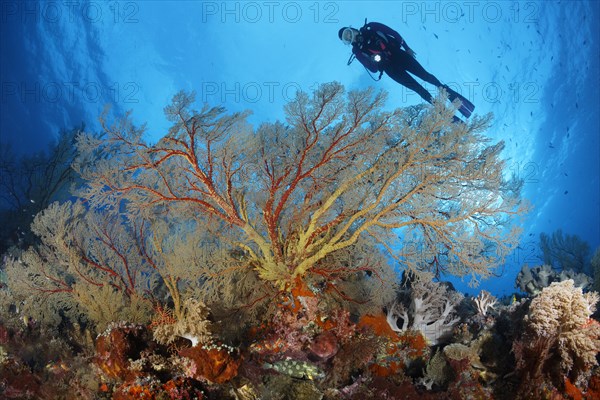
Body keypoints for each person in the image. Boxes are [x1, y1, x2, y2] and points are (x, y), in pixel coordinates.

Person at [339, 21, 474, 119]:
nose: (350, 37)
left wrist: (407, 48)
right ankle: (444, 111)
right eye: (347, 39)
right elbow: (373, 70)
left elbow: (393, 33)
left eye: (348, 33)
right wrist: (373, 60)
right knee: (418, 89)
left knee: (426, 77)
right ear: (347, 43)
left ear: (352, 29)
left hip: (399, 55)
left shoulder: (371, 27)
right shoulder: (357, 51)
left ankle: (455, 99)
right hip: (390, 69)